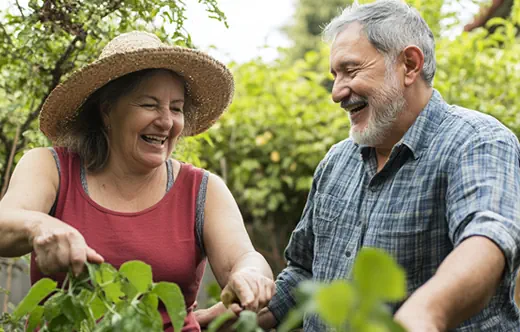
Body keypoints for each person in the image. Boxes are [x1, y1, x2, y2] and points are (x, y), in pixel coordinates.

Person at [255, 1, 520, 331]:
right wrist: (237, 320)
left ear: (409, 65)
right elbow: (305, 273)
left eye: (351, 71)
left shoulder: (476, 140)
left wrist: (427, 312)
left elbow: (487, 239)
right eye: (335, 76)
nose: (337, 92)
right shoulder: (336, 162)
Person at [0, 31, 274, 331]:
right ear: (106, 109)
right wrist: (39, 226)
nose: (166, 121)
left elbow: (244, 258)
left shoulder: (202, 190)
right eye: (149, 104)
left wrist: (250, 275)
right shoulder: (50, 167)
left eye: (176, 108)